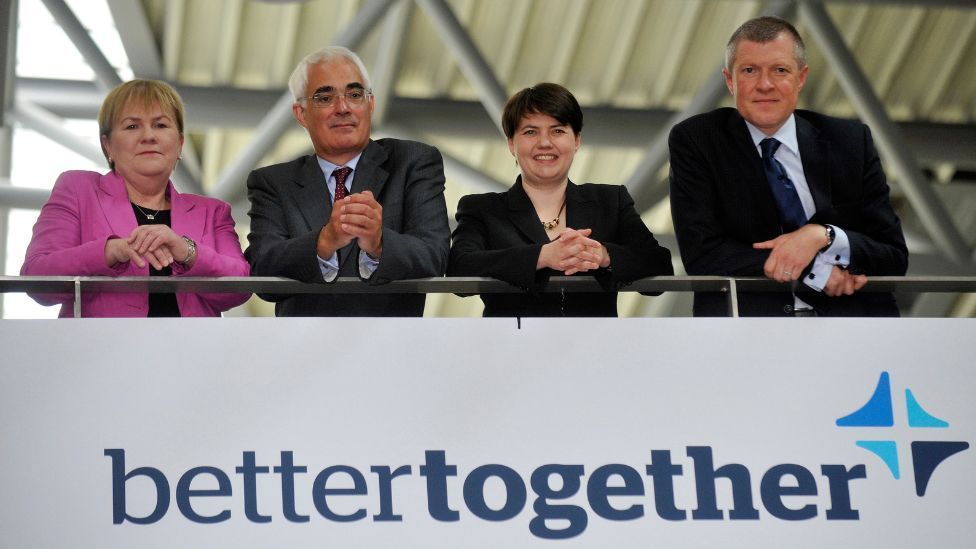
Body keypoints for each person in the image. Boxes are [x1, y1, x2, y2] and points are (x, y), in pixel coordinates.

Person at [669, 16, 908, 316]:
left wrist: (823, 236)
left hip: (854, 332)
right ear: (730, 80)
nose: (765, 84)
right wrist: (816, 272)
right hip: (747, 334)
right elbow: (702, 254)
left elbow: (893, 255)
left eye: (780, 70)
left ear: (801, 77)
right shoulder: (698, 140)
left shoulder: (850, 141)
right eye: (749, 70)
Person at [245, 46, 449, 316]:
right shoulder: (272, 182)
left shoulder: (413, 162)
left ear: (370, 104)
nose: (342, 108)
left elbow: (434, 256)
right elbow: (262, 269)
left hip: (393, 347)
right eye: (325, 97)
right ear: (301, 114)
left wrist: (378, 243)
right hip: (304, 349)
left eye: (354, 95)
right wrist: (324, 241)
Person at [21, 79, 250, 317]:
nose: (149, 136)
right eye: (132, 126)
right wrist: (109, 252)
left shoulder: (212, 211)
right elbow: (36, 278)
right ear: (107, 145)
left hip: (193, 352)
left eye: (161, 125)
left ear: (180, 144)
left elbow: (241, 288)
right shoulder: (78, 189)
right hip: (101, 351)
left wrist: (187, 251)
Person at [449, 83, 673, 317]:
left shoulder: (610, 201)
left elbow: (660, 267)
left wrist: (603, 255)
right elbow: (459, 268)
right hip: (511, 347)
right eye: (530, 132)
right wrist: (542, 256)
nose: (545, 142)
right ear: (511, 144)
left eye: (557, 131)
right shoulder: (483, 208)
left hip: (595, 348)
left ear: (576, 140)